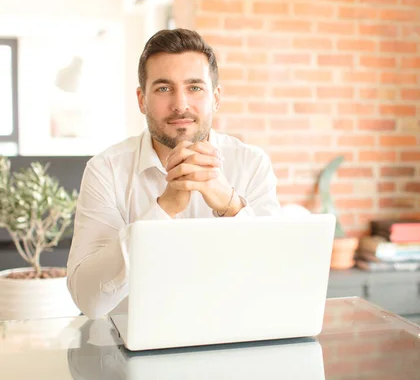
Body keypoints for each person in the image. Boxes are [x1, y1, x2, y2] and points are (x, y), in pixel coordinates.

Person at [66, 28, 280, 319]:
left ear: (215, 98)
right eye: (164, 88)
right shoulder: (107, 170)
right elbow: (89, 300)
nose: (180, 104)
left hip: (232, 339)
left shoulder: (252, 164)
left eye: (195, 87)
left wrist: (230, 204)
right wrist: (163, 210)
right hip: (130, 351)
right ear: (142, 100)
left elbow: (276, 282)